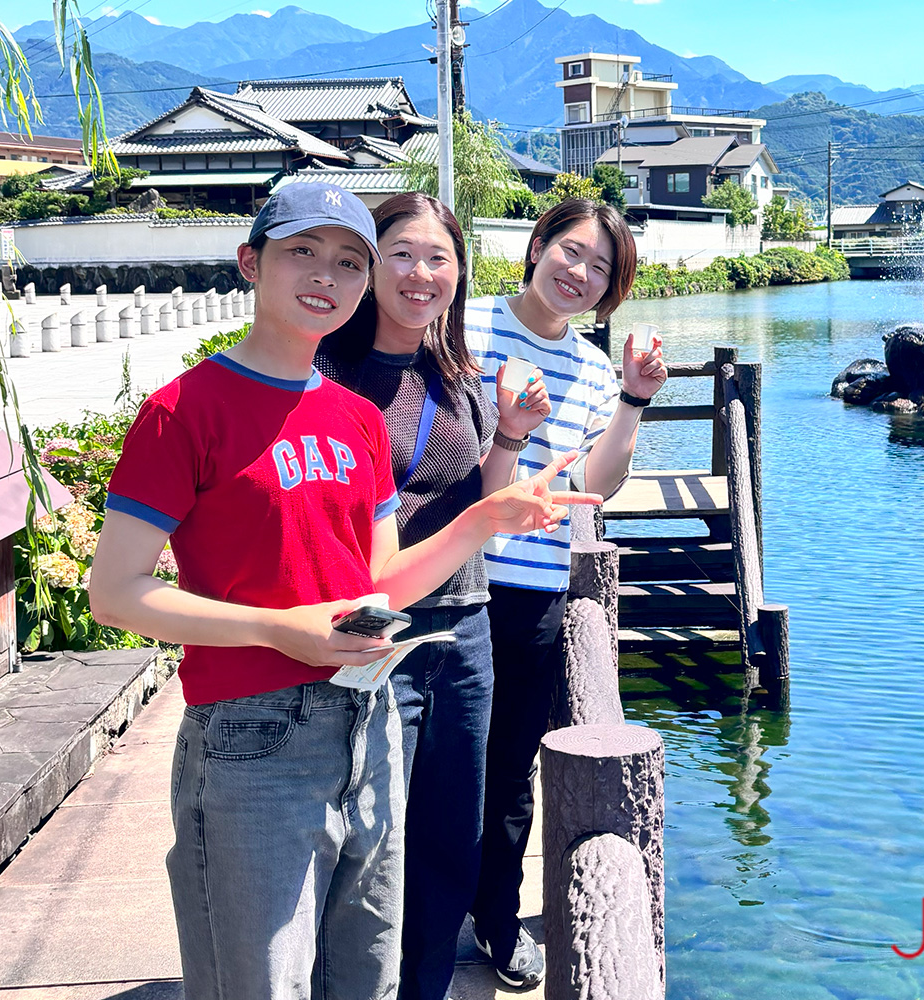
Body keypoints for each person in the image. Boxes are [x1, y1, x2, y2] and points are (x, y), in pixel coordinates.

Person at [87, 183, 597, 1000]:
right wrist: (278, 630)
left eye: (349, 261)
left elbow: (380, 582)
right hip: (251, 736)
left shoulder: (353, 419)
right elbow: (113, 594)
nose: (328, 274)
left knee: (366, 973)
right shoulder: (184, 410)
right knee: (265, 981)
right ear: (251, 263)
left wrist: (484, 519)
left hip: (371, 723)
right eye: (303, 252)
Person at [313, 192, 551, 1000]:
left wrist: (512, 434)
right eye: (403, 254)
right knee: (370, 835)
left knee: (453, 831)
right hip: (375, 629)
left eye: (439, 258)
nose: (422, 273)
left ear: (459, 273)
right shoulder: (326, 373)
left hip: (467, 625)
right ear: (370, 263)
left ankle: (424, 987)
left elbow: (484, 499)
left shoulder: (455, 373)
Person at [463, 198, 667, 988]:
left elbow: (594, 483)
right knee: (429, 757)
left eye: (601, 269)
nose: (579, 273)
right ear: (537, 244)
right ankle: (413, 912)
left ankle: (494, 920)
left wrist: (634, 399)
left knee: (512, 765)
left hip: (533, 584)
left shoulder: (587, 365)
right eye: (570, 251)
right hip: (448, 575)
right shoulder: (463, 326)